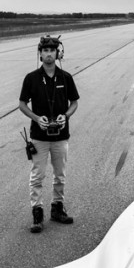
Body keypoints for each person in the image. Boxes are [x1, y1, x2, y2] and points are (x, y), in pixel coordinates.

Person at [18, 35, 80, 233]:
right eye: (45, 51)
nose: (48, 54)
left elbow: (74, 103)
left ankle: (57, 208)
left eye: (52, 51)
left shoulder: (66, 77)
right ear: (40, 53)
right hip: (39, 136)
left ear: (57, 53)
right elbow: (21, 105)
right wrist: (37, 118)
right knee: (38, 175)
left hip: (61, 136)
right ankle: (37, 213)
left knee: (60, 175)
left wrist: (65, 116)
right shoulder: (31, 78)